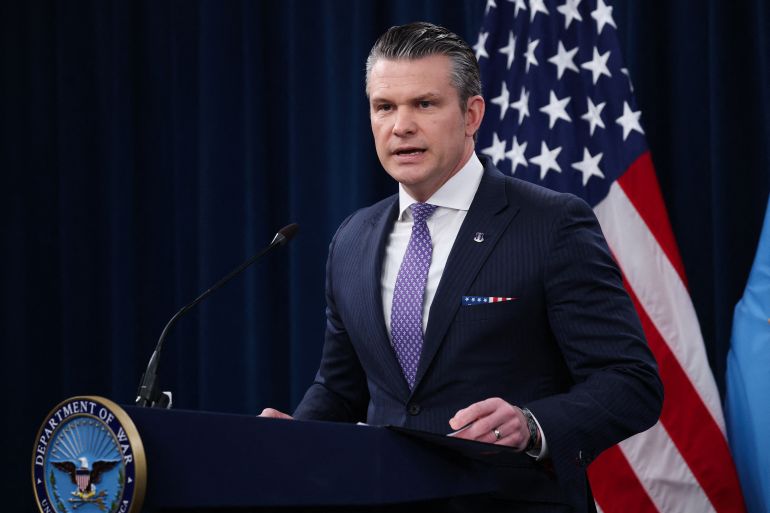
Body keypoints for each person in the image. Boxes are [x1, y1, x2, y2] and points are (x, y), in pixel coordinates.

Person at [261, 22, 663, 512]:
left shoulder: (551, 224)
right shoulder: (352, 239)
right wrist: (295, 439)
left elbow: (631, 381)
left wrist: (532, 424)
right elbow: (340, 389)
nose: (400, 126)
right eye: (384, 107)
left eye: (424, 104)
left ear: (471, 115)